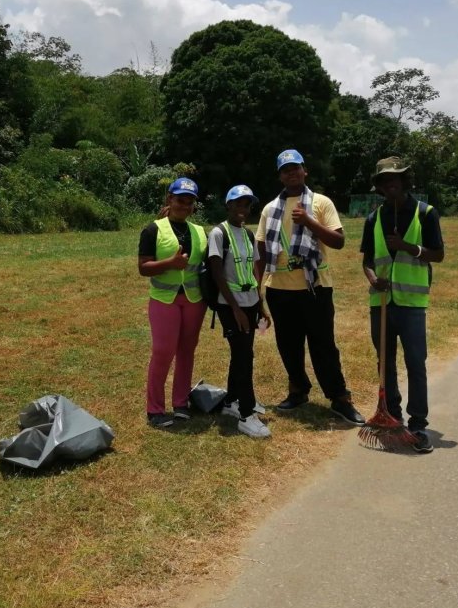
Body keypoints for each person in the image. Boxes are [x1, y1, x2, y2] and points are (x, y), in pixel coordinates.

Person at [255, 149, 364, 425]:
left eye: (295, 167)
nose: (291, 173)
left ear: (305, 171)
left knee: (324, 346)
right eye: (285, 169)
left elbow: (338, 242)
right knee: (288, 346)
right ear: (280, 175)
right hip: (279, 289)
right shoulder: (270, 209)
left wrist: (309, 222)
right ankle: (298, 390)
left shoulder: (320, 203)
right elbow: (262, 250)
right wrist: (258, 290)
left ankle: (339, 397)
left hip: (315, 287)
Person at [360, 156, 445, 453]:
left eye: (395, 177)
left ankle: (418, 425)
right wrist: (372, 278)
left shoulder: (426, 214)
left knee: (415, 363)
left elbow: (438, 255)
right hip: (381, 302)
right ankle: (391, 416)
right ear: (380, 186)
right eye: (384, 180)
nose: (390, 183)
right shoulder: (373, 218)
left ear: (405, 180)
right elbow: (367, 260)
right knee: (385, 363)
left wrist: (409, 247)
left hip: (411, 303)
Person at [138, 177, 208, 428]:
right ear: (170, 199)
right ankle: (155, 409)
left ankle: (181, 403)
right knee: (163, 352)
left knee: (186, 352)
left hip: (194, 301)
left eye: (189, 202)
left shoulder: (200, 232)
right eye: (180, 200)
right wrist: (170, 263)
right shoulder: (152, 230)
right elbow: (143, 268)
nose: (184, 205)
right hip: (164, 300)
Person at [208, 184, 271, 438]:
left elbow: (254, 270)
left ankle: (231, 401)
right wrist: (235, 308)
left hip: (250, 302)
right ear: (229, 205)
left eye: (247, 204)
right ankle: (246, 414)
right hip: (230, 305)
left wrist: (261, 305)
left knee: (244, 354)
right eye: (238, 204)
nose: (243, 209)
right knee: (244, 356)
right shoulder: (218, 233)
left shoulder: (247, 234)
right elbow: (216, 272)